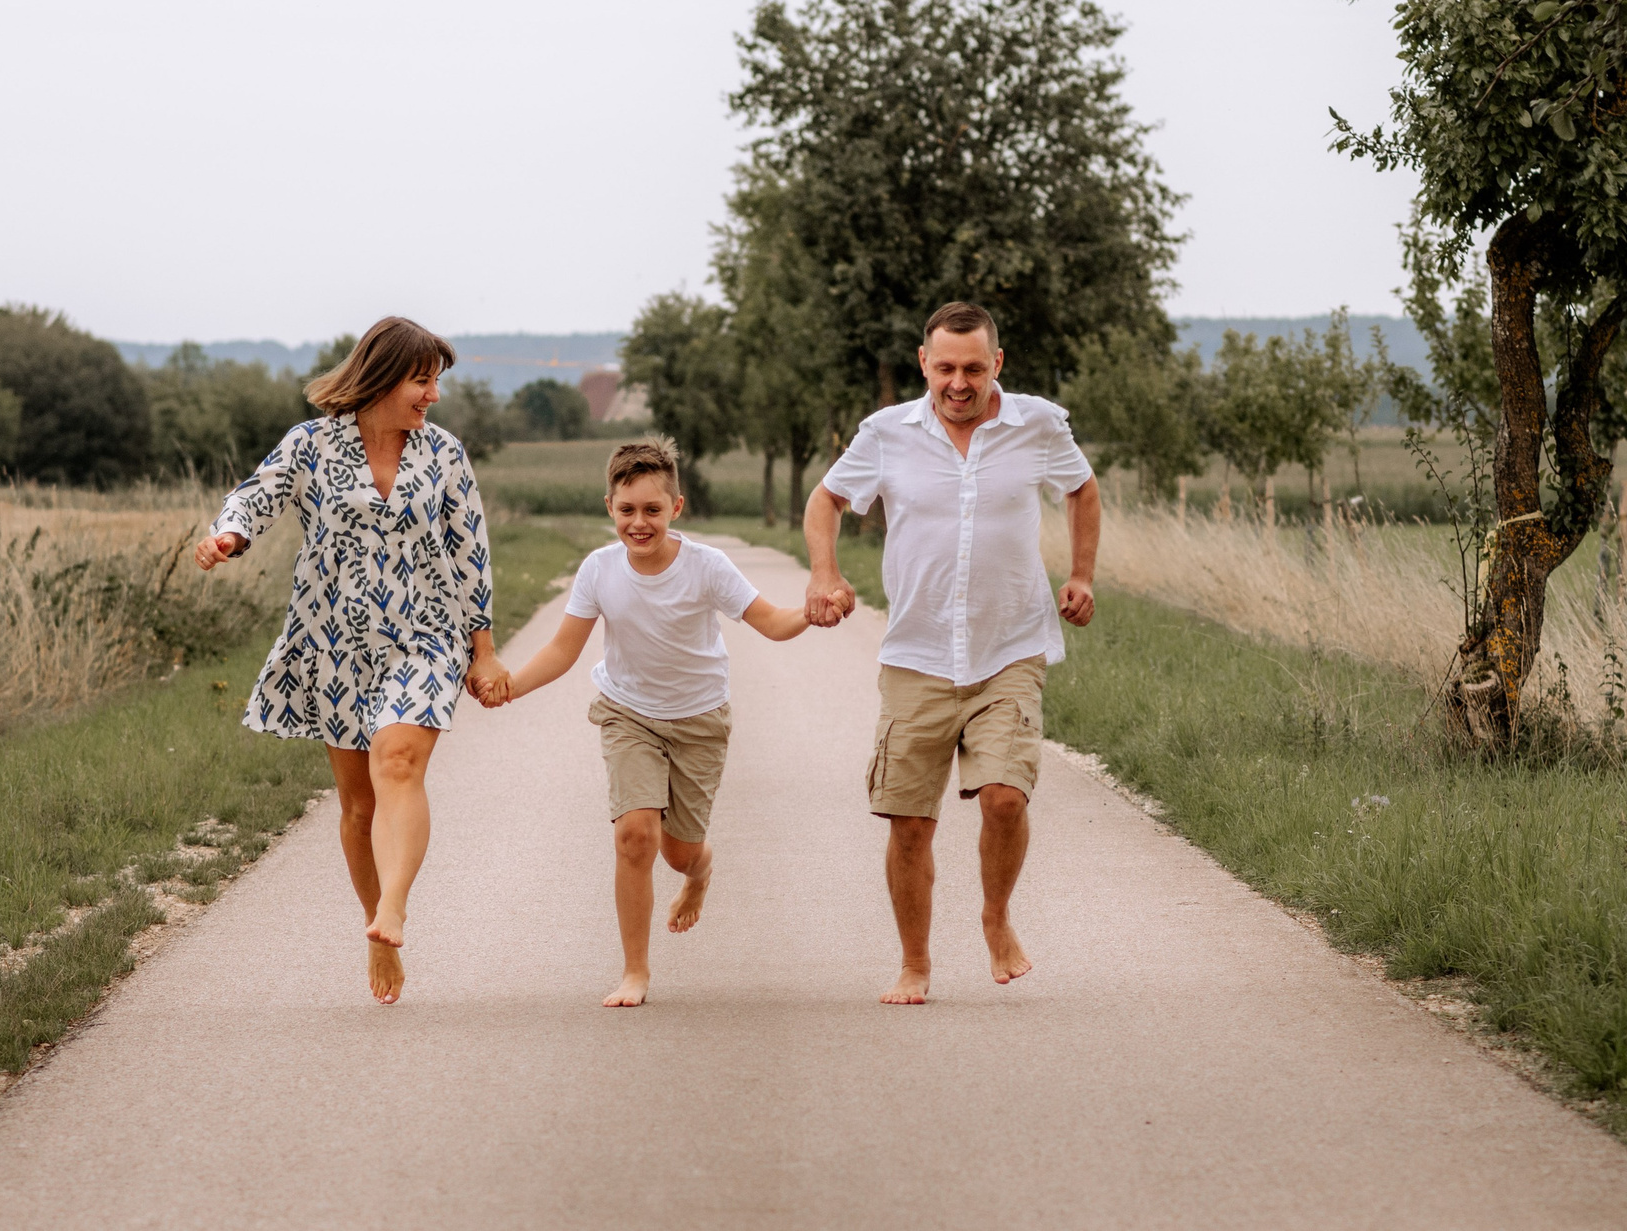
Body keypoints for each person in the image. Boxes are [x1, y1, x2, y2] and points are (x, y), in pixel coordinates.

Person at [194, 317, 508, 1006]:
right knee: (359, 805)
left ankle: (392, 906)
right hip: (332, 639)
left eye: (435, 381)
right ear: (381, 376)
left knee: (397, 758)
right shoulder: (311, 444)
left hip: (427, 632)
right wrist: (230, 534)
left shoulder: (445, 455)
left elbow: (470, 551)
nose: (432, 395)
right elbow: (259, 492)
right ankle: (377, 930)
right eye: (421, 379)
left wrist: (481, 650)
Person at [803, 301, 1101, 1005]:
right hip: (917, 652)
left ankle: (996, 915)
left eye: (973, 367)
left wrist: (1083, 572)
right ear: (923, 363)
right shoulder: (886, 434)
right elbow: (826, 500)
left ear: (997, 363)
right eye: (945, 367)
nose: (959, 382)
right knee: (909, 821)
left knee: (1003, 797)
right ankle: (915, 962)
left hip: (1011, 647)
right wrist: (825, 571)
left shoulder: (1037, 425)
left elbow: (1082, 488)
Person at [489, 436, 818, 1008]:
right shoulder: (598, 570)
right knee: (634, 836)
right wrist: (511, 685)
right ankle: (635, 972)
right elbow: (565, 650)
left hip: (699, 720)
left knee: (678, 852)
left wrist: (812, 612)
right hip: (628, 713)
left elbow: (769, 621)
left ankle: (699, 869)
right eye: (627, 510)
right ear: (610, 508)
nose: (639, 523)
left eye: (652, 510)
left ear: (676, 508)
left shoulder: (707, 567)